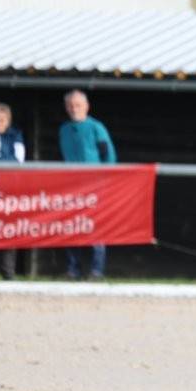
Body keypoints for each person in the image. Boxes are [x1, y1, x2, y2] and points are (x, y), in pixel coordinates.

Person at [58, 89, 117, 280]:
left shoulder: (96, 128)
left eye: (78, 105)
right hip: (71, 185)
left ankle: (96, 270)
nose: (74, 108)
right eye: (70, 105)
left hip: (95, 185)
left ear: (86, 106)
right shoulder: (64, 130)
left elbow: (108, 155)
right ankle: (73, 269)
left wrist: (106, 179)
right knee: (71, 226)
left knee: (96, 225)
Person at [0, 102, 25, 279]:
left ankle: (8, 271)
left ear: (8, 121)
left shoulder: (16, 136)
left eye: (2, 119)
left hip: (10, 189)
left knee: (9, 229)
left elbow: (18, 161)